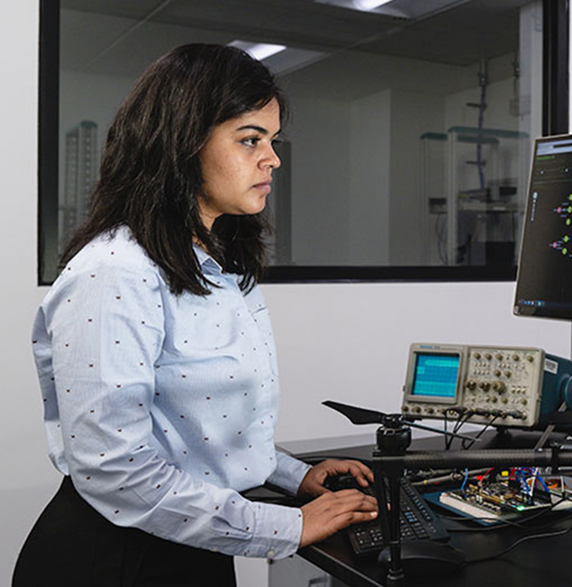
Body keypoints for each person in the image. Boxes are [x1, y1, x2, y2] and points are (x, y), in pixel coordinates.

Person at [14, 43, 378, 587]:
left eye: (273, 141)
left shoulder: (209, 264)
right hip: (117, 560)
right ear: (181, 143)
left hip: (187, 542)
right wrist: (284, 526)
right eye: (251, 139)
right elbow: (117, 470)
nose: (273, 158)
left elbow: (199, 436)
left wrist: (295, 477)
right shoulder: (115, 272)